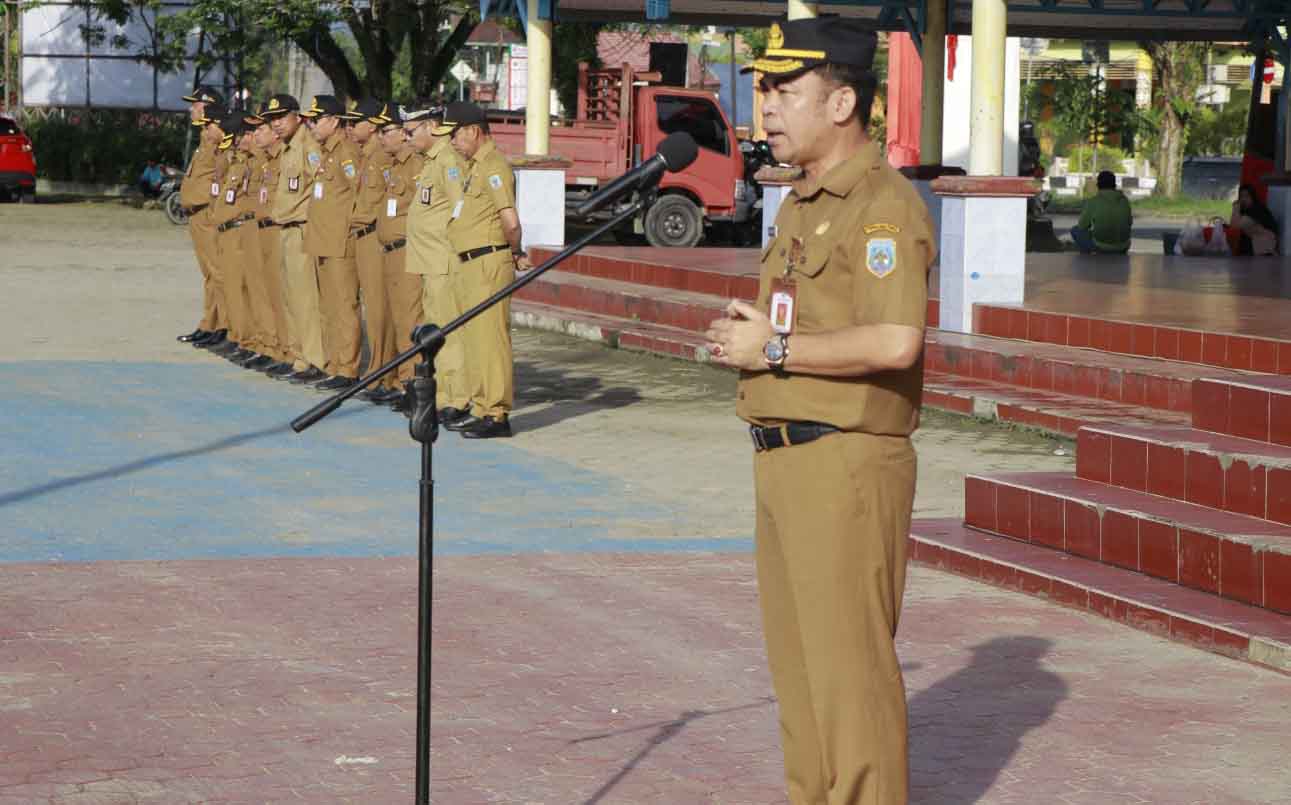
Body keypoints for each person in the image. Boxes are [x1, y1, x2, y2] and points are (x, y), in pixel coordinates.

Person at [704, 18, 934, 805]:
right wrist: (760, 336)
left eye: (784, 92)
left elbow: (897, 339)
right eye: (763, 91)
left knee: (847, 677)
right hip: (786, 457)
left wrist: (771, 350)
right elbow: (804, 322)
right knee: (800, 676)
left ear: (841, 102)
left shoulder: (881, 205)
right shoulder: (802, 202)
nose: (765, 108)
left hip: (844, 460)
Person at [438, 102, 530, 439]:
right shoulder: (474, 166)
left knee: (491, 340)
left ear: (474, 131)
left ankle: (496, 413)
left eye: (456, 134)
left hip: (488, 261)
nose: (452, 142)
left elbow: (511, 221)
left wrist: (516, 251)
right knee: (475, 339)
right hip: (470, 262)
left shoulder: (493, 166)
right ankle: (479, 406)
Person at [406, 104, 470, 422]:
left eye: (411, 130)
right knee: (436, 332)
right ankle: (443, 393)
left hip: (444, 261)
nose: (408, 137)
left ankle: (456, 399)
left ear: (431, 126)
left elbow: (460, 210)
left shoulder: (448, 162)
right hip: (431, 262)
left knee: (449, 332)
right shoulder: (432, 162)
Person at [261, 93, 328, 385]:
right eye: (272, 120)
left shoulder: (308, 145)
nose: (275, 124)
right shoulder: (288, 148)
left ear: (296, 116)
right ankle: (299, 356)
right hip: (286, 227)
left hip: (301, 227)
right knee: (291, 297)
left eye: (280, 118)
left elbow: (321, 184)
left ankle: (314, 358)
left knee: (306, 300)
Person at [373, 104, 434, 410]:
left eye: (387, 131)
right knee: (399, 320)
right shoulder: (396, 165)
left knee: (410, 319)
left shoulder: (416, 165)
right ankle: (402, 381)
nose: (381, 137)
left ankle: (414, 386)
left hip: (409, 250)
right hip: (391, 252)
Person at [301, 94, 363, 391]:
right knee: (329, 307)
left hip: (340, 242)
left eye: (317, 119)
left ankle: (348, 368)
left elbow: (359, 191)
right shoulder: (327, 151)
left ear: (334, 121)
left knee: (343, 306)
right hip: (323, 240)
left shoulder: (346, 151)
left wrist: (349, 228)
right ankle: (335, 363)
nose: (311, 124)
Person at [344, 97, 402, 404]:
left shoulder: (382, 157)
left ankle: (384, 372)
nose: (351, 128)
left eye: (357, 123)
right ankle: (378, 370)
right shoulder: (367, 155)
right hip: (363, 235)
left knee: (380, 310)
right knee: (374, 308)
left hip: (374, 237)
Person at [176, 85, 227, 347]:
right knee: (210, 274)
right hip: (197, 214)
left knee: (218, 273)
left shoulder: (218, 138)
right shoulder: (204, 137)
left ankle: (222, 326)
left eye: (196, 105)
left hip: (208, 212)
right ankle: (210, 323)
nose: (191, 109)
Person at [1071, 170, 1132, 254]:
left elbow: (1082, 226)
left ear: (1098, 184)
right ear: (1114, 184)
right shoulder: (1124, 200)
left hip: (1102, 246)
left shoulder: (1093, 201)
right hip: (1124, 246)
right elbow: (1129, 222)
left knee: (1075, 230)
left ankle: (1086, 260)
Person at [1230, 183, 1279, 256]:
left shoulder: (1256, 209)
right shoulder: (1245, 210)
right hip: (1256, 247)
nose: (1243, 199)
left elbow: (1236, 225)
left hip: (1264, 248)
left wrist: (1235, 208)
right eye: (1241, 196)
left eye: (1247, 196)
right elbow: (1233, 226)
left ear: (1253, 197)